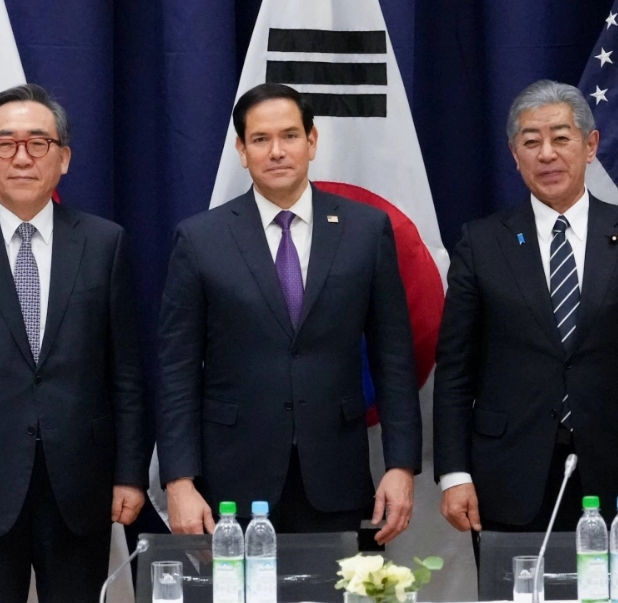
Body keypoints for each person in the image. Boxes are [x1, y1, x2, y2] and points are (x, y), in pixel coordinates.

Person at [0, 84, 150, 603]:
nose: (21, 158)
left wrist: (130, 474)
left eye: (38, 144)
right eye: (5, 144)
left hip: (80, 485)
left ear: (63, 158)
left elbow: (126, 374)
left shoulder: (105, 244)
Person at [156, 83, 422, 544]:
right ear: (242, 150)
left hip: (336, 475)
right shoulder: (201, 239)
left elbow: (394, 359)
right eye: (260, 139)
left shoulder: (365, 230)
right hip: (230, 483)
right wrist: (179, 480)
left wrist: (401, 466)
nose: (276, 151)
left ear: (312, 141)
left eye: (290, 136)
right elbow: (176, 370)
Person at [434, 79, 618, 539]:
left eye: (561, 138)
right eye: (531, 142)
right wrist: (454, 473)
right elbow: (454, 369)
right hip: (506, 475)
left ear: (590, 145)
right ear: (515, 155)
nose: (546, 154)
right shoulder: (482, 242)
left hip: (616, 475)